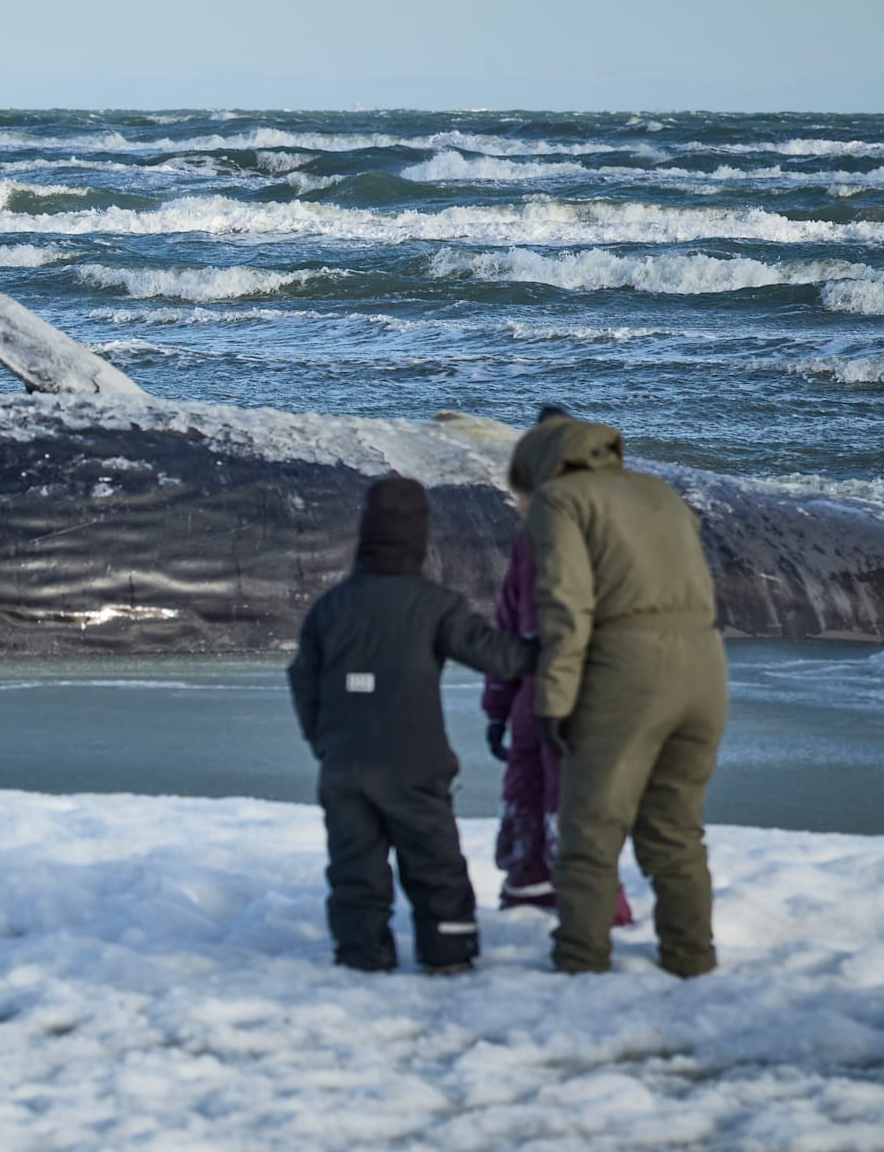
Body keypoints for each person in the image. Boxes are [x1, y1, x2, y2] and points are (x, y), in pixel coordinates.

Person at [288, 476, 537, 974]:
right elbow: (500, 658)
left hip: (344, 762)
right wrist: (551, 643)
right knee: (434, 864)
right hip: (414, 763)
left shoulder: (330, 607)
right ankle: (448, 956)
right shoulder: (434, 604)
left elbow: (303, 680)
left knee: (355, 867)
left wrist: (324, 743)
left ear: (366, 533)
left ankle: (361, 956)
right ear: (419, 538)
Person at [511, 414, 726, 978]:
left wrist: (554, 700)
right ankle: (692, 960)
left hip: (627, 666)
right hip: (705, 665)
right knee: (676, 830)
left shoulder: (561, 501)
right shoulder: (660, 493)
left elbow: (566, 603)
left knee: (591, 828)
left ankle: (581, 964)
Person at [483, 408, 632, 927]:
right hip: (571, 690)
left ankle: (583, 914)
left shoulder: (541, 525)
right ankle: (550, 904)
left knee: (546, 805)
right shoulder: (618, 519)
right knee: (558, 806)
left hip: (549, 690)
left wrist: (497, 706)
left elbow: (510, 622)